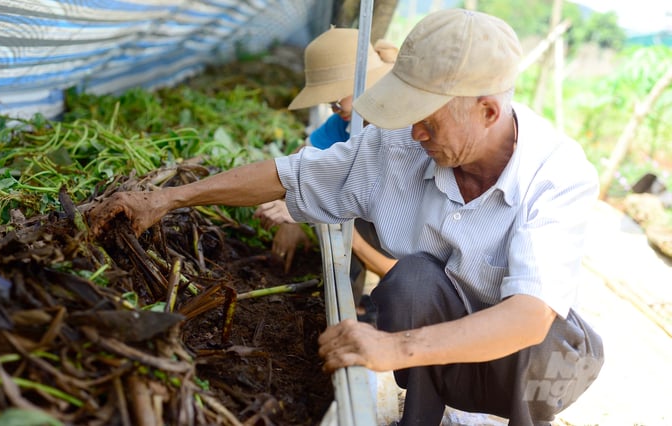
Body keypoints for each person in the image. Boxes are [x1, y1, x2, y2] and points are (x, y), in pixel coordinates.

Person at [88, 9, 604, 425]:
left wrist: (393, 346)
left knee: (529, 346)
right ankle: (419, 419)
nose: (415, 134)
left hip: (543, 362)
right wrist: (168, 199)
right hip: (456, 330)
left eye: (428, 120)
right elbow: (290, 176)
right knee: (414, 282)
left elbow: (529, 317)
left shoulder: (556, 175)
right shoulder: (401, 145)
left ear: (488, 112)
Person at [254, 27, 398, 311]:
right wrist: (288, 210)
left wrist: (308, 214)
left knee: (351, 230)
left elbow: (394, 270)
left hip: (398, 256)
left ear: (366, 85)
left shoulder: (398, 134)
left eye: (337, 100)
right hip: (374, 231)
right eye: (328, 103)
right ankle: (358, 305)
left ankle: (368, 311)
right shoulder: (343, 122)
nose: (333, 109)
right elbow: (300, 159)